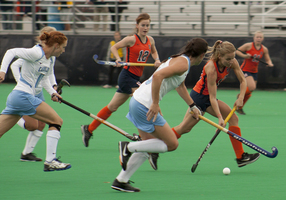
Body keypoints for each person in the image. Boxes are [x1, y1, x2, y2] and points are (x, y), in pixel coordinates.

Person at [111, 37, 207, 192]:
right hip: (145, 104)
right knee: (172, 144)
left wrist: (192, 106)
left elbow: (180, 86)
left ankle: (121, 180)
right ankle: (127, 147)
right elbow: (157, 76)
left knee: (148, 145)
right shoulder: (183, 63)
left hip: (138, 101)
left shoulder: (179, 60)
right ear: (202, 55)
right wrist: (156, 103)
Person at [81, 13, 161, 170]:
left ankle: (89, 129)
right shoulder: (131, 39)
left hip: (137, 77)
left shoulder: (150, 40)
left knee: (112, 107)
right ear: (137, 26)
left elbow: (153, 52)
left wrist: (157, 60)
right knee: (144, 103)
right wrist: (117, 59)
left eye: (148, 25)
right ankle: (149, 144)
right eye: (143, 25)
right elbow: (114, 47)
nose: (145, 28)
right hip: (127, 76)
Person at [171, 40, 260, 169]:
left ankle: (241, 157)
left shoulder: (232, 62)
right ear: (220, 57)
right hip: (199, 99)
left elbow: (243, 80)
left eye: (233, 58)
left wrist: (241, 97)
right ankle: (154, 146)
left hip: (208, 98)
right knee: (184, 128)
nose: (231, 61)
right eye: (228, 59)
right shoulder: (211, 68)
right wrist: (219, 117)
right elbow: (212, 98)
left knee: (233, 118)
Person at [0, 31, 71, 172]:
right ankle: (50, 161)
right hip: (23, 96)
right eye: (63, 47)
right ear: (56, 45)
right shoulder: (36, 53)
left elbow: (44, 78)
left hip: (17, 98)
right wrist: (2, 71)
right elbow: (11, 52)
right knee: (57, 121)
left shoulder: (50, 59)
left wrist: (53, 92)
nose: (63, 50)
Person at [9, 26, 58, 162]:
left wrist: (54, 87)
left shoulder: (51, 55)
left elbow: (50, 72)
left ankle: (26, 153)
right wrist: (21, 82)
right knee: (32, 126)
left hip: (38, 92)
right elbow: (14, 65)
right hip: (26, 93)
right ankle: (14, 115)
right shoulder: (34, 53)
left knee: (42, 124)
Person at [235, 30, 274, 115]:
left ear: (262, 39)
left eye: (260, 37)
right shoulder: (248, 46)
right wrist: (245, 56)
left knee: (249, 92)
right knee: (252, 87)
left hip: (254, 71)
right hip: (245, 70)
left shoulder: (264, 49)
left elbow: (268, 59)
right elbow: (237, 51)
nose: (258, 39)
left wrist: (270, 63)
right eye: (257, 37)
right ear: (254, 38)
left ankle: (240, 107)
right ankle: (240, 96)